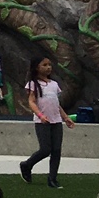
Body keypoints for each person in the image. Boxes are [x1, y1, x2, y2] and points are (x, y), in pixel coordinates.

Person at [20, 56, 72, 189]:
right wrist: (40, 115)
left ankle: (52, 178)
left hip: (56, 121)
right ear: (37, 67)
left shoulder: (54, 84)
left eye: (49, 65)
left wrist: (65, 117)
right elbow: (31, 101)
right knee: (45, 149)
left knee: (56, 150)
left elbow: (57, 104)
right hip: (42, 121)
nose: (48, 67)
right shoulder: (33, 84)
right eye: (44, 65)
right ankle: (27, 164)